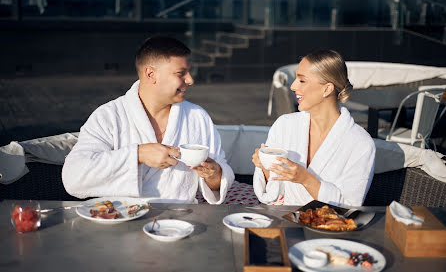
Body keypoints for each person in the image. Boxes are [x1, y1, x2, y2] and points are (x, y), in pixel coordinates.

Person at [62, 35, 234, 203]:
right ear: (151, 74)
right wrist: (138, 154)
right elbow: (73, 177)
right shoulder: (108, 116)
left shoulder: (197, 117)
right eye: (181, 73)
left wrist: (214, 174)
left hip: (179, 222)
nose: (190, 80)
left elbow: (219, 177)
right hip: (120, 218)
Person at [252, 50, 375, 206]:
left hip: (329, 226)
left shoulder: (360, 143)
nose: (292, 86)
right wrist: (264, 166)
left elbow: (349, 205)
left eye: (302, 81)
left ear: (327, 89)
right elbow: (274, 193)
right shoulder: (285, 125)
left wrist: (305, 179)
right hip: (285, 216)